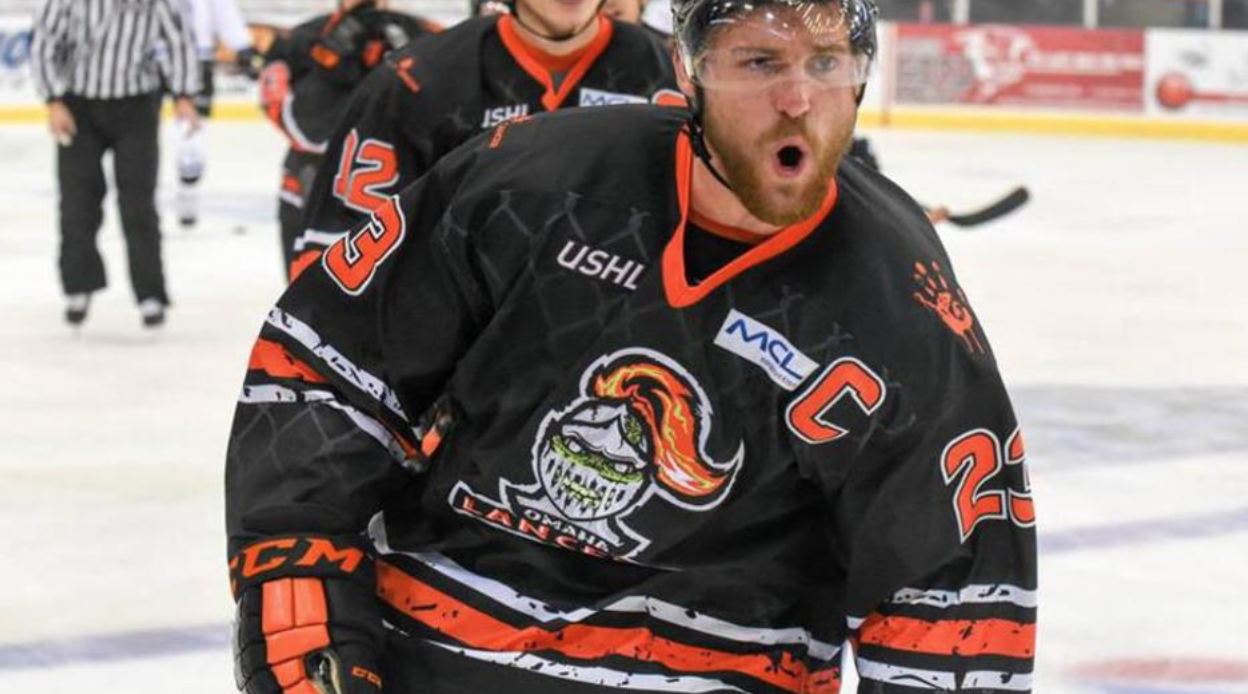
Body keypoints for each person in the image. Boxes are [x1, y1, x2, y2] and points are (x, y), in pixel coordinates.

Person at [225, 0, 1037, 692]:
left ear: (861, 79)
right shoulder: (527, 186)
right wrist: (297, 582)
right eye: (756, 61)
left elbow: (949, 595)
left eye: (826, 62)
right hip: (441, 651)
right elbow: (331, 372)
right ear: (688, 72)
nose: (795, 97)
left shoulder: (904, 307)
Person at [287, 0, 682, 279]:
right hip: (451, 356)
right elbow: (336, 251)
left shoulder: (665, 77)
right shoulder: (420, 78)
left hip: (606, 360)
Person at [30, 0, 200, 329]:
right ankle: (79, 285)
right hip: (78, 106)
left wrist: (183, 94)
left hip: (136, 106)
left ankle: (151, 293)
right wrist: (53, 101)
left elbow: (179, 38)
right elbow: (44, 42)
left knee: (138, 205)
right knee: (77, 202)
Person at [259, 0, 436, 278]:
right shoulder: (299, 40)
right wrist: (329, 64)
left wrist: (408, 63)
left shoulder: (426, 35)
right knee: (304, 307)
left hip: (399, 200)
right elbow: (303, 130)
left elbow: (444, 122)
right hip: (310, 192)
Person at [172, 0, 259, 228]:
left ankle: (187, 188)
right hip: (157, 56)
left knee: (191, 128)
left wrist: (242, 45)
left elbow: (221, 7)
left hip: (198, 58)